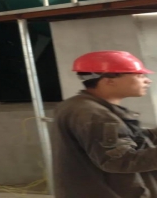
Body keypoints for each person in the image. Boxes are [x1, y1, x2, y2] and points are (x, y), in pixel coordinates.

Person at [53, 50, 157, 198]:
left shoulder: (79, 105)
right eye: (139, 76)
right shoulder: (96, 115)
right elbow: (121, 160)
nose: (147, 81)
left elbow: (130, 137)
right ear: (109, 81)